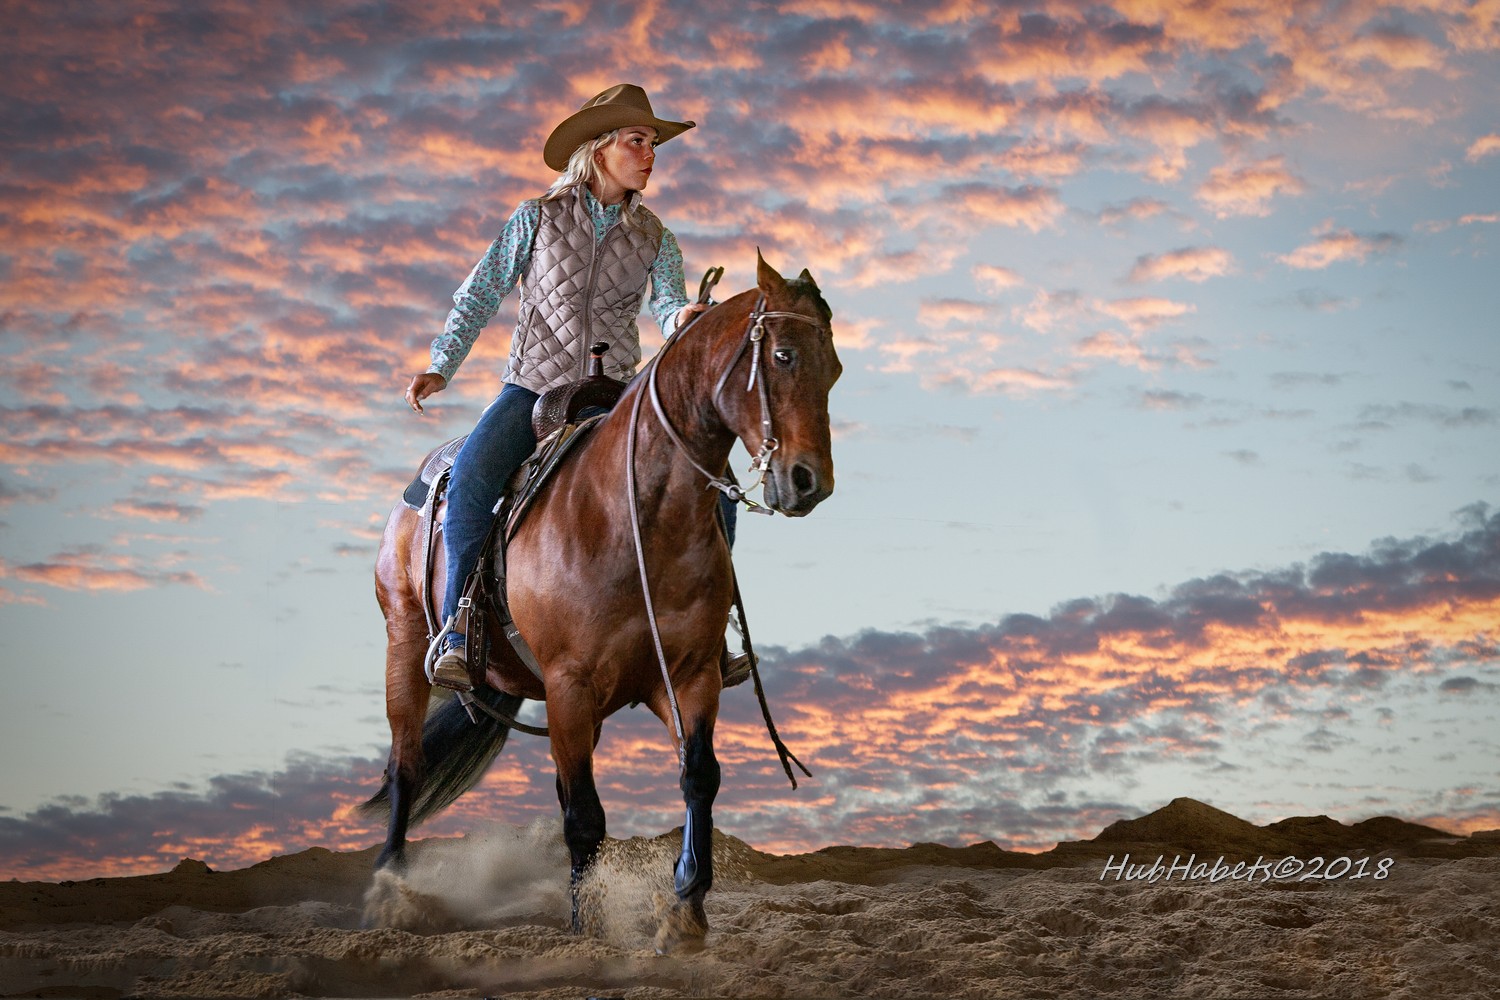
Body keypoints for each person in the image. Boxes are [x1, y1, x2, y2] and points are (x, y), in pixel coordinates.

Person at [404, 84, 717, 692]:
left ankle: (713, 624)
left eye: (653, 143)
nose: (650, 154)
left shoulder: (657, 237)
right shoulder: (537, 218)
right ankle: (459, 628)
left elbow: (669, 303)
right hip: (535, 385)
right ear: (600, 149)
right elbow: (482, 291)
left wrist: (683, 317)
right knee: (470, 479)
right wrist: (442, 364)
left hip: (618, 393)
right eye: (637, 141)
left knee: (708, 481)